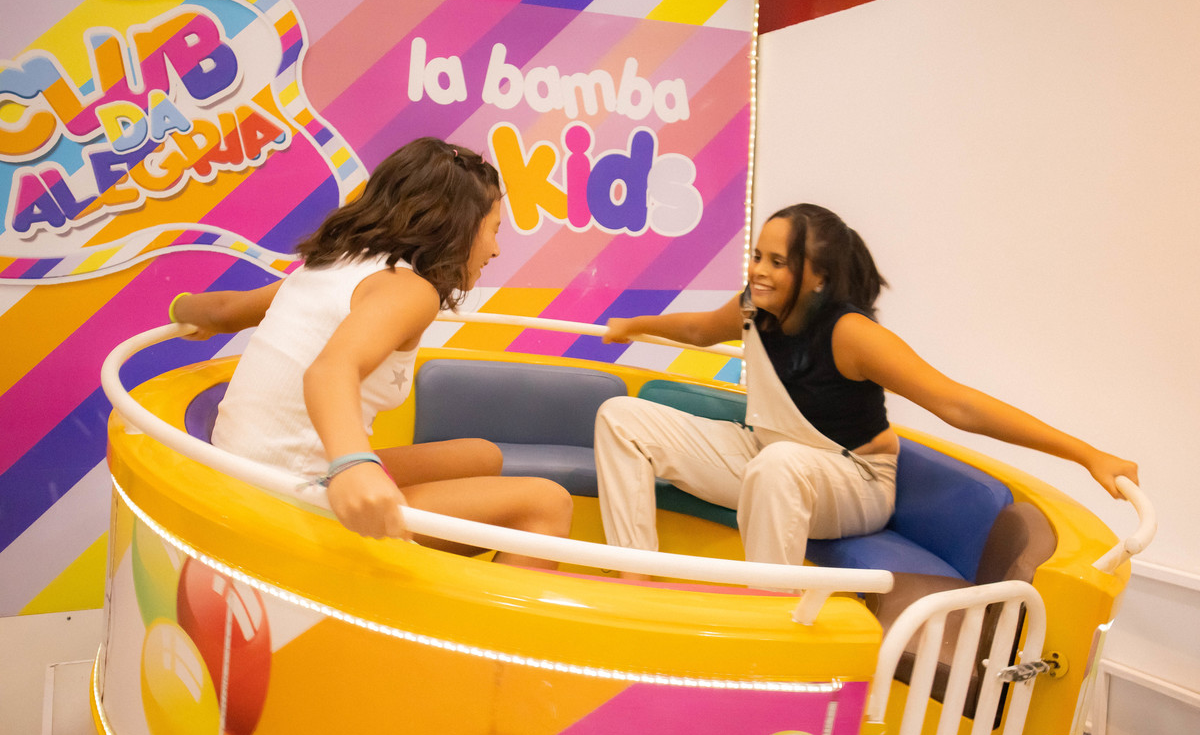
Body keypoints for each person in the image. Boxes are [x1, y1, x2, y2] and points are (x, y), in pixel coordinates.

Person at [595, 203, 1137, 574]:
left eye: (778, 262)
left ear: (819, 278)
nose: (759, 271)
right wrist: (634, 324)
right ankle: (634, 579)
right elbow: (698, 330)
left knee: (779, 465)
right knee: (622, 417)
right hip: (769, 459)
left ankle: (767, 619)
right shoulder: (753, 308)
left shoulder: (852, 334)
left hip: (854, 480)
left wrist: (1086, 454)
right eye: (757, 256)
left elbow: (958, 404)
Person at [169, 137, 572, 568]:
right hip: (288, 494)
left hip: (250, 466)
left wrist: (181, 308)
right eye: (493, 230)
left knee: (481, 455)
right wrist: (353, 465)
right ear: (457, 224)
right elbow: (331, 369)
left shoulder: (331, 265)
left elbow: (222, 311)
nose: (496, 249)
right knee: (547, 503)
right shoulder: (411, 290)